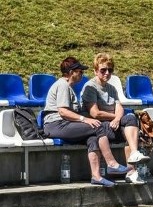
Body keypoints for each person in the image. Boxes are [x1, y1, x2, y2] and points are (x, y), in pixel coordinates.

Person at [42, 57, 130, 187]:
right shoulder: (63, 85)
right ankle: (111, 163)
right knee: (98, 126)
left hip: (64, 124)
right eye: (79, 71)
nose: (82, 74)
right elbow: (63, 112)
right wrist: (85, 119)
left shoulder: (68, 87)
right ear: (71, 72)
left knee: (92, 137)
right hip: (56, 125)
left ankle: (96, 176)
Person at [81, 53, 149, 185]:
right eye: (103, 70)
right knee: (128, 125)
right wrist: (116, 117)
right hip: (99, 127)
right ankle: (132, 170)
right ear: (95, 71)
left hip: (113, 125)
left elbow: (119, 107)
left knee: (130, 123)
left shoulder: (111, 88)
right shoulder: (90, 87)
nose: (107, 73)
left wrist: (118, 119)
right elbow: (95, 113)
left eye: (110, 70)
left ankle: (133, 164)